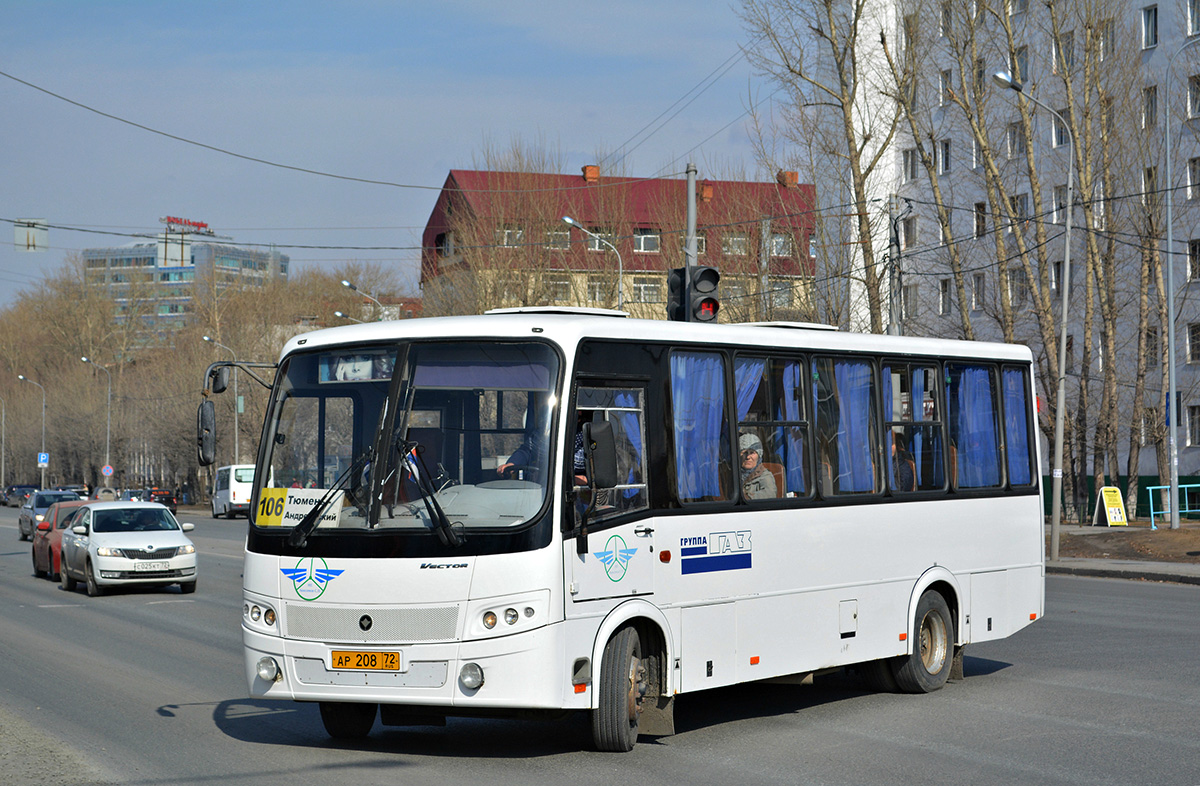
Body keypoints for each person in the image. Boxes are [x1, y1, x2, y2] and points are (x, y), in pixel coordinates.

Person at [739, 433, 776, 500]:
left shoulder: (765, 476)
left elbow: (770, 495)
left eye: (752, 453)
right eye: (744, 453)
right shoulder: (733, 475)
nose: (748, 457)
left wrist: (747, 497)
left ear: (758, 456)